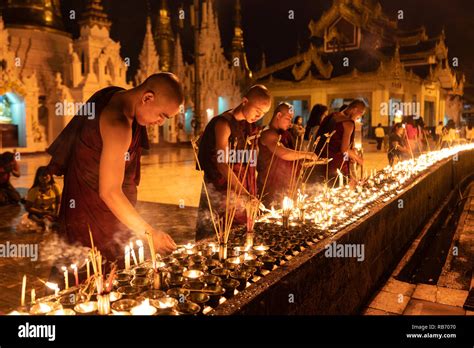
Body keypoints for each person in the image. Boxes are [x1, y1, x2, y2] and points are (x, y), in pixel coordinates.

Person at [47, 73, 183, 260]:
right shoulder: (118, 123)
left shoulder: (113, 95)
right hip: (93, 214)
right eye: (162, 115)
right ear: (147, 97)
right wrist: (150, 234)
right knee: (96, 270)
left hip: (91, 205)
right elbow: (109, 192)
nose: (161, 122)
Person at [195, 85, 272, 241]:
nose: (259, 115)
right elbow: (222, 163)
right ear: (245, 101)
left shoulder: (249, 127)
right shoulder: (224, 124)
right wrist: (243, 192)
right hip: (222, 191)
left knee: (240, 237)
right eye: (257, 110)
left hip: (241, 191)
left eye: (263, 113)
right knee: (217, 236)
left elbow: (249, 161)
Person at [257, 103, 317, 208]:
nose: (290, 124)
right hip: (271, 189)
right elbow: (283, 153)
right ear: (279, 115)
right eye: (288, 119)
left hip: (288, 186)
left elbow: (291, 158)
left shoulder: (285, 134)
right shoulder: (268, 134)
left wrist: (302, 163)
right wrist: (307, 154)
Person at [312, 100, 365, 183]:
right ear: (354, 109)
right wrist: (358, 158)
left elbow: (344, 152)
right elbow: (344, 149)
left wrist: (348, 158)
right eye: (360, 114)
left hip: (321, 161)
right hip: (337, 167)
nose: (359, 117)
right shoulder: (348, 123)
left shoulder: (332, 116)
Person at [19, 166, 61, 233]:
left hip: (52, 211)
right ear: (38, 178)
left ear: (50, 175)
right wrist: (42, 212)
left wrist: (57, 213)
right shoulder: (34, 190)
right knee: (33, 217)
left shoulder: (55, 187)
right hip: (38, 213)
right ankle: (41, 223)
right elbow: (28, 208)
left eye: (46, 175)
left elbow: (59, 202)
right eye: (41, 176)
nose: (44, 177)